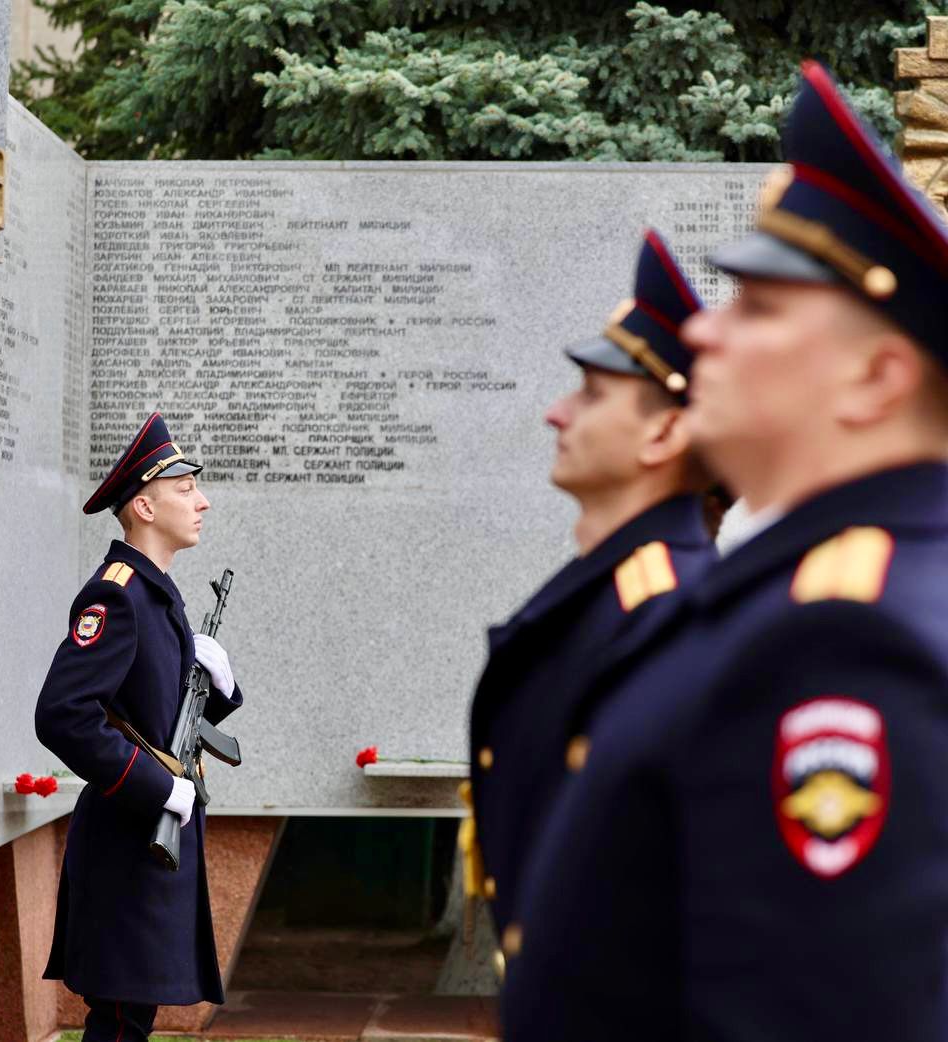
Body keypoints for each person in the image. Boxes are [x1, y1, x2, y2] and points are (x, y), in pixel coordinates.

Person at [504, 61, 948, 1042]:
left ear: (875, 377)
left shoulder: (846, 639)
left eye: (755, 307)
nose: (702, 331)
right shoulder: (806, 594)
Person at [467, 230, 719, 971]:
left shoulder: (668, 612)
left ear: (665, 432)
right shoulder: (611, 592)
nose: (557, 413)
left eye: (592, 395)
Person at [35, 412, 242, 1042]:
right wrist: (158, 787)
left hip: (146, 842)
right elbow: (64, 716)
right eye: (185, 488)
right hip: (128, 842)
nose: (202, 501)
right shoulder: (117, 596)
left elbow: (153, 716)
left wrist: (218, 689)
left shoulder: (159, 595)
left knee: (131, 1022)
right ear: (145, 507)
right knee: (122, 1023)